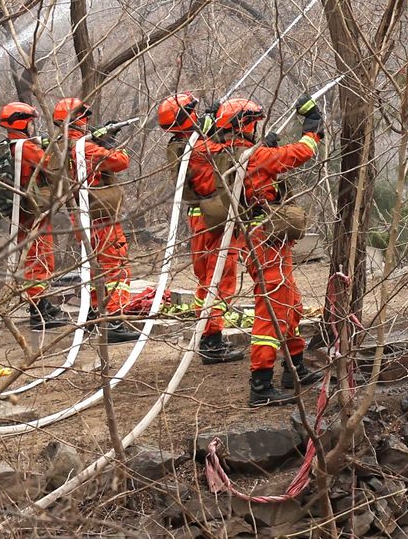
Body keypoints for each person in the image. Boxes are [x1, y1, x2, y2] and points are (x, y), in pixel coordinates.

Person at [212, 95, 325, 407]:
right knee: (273, 309)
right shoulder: (253, 156)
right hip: (265, 240)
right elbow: (300, 153)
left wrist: (265, 146)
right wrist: (312, 128)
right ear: (245, 126)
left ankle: (294, 367)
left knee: (291, 303)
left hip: (263, 239)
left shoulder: (229, 153)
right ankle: (260, 385)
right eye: (253, 124)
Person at [155, 93, 243, 364]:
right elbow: (228, 153)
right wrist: (219, 125)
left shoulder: (181, 144)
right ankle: (212, 341)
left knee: (207, 279)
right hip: (212, 220)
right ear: (185, 117)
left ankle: (206, 333)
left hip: (200, 219)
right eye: (192, 111)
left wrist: (210, 126)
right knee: (219, 278)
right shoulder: (196, 147)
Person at [53, 96, 140, 343]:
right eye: (84, 117)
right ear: (76, 119)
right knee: (115, 268)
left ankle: (95, 314)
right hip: (99, 217)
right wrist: (110, 144)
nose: (87, 122)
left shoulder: (60, 146)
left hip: (82, 216)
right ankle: (113, 320)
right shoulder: (84, 148)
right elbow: (120, 162)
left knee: (94, 268)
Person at [0, 101, 69, 331]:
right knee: (39, 260)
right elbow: (49, 164)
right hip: (32, 214)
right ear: (21, 123)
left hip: (24, 213)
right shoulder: (26, 147)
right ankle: (39, 311)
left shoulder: (12, 145)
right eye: (30, 123)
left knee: (36, 259)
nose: (32, 127)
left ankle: (42, 305)